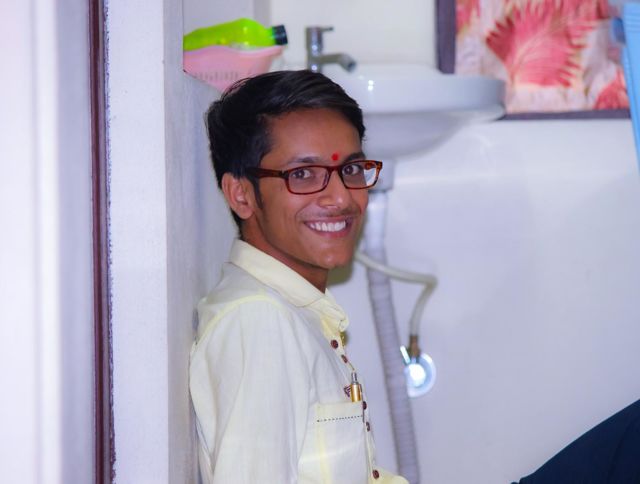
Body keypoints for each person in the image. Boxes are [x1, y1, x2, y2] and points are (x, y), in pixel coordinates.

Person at [189, 70, 407, 484]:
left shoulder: (293, 310)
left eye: (351, 168)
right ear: (241, 195)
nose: (341, 197)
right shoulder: (259, 321)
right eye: (303, 174)